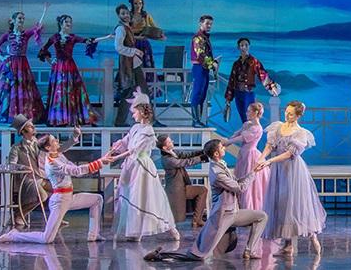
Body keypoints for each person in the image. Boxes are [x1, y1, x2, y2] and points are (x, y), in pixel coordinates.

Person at [144, 139, 269, 262]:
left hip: (233, 212)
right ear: (216, 153)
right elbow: (240, 188)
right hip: (223, 215)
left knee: (261, 216)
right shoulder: (217, 172)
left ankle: (249, 251)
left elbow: (237, 182)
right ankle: (160, 256)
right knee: (199, 254)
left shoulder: (221, 164)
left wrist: (253, 171)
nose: (224, 148)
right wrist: (253, 173)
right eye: (221, 147)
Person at [0, 135, 115, 243]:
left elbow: (75, 169)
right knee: (46, 239)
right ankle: (14, 235)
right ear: (48, 147)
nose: (57, 141)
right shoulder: (52, 163)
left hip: (69, 197)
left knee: (97, 199)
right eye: (54, 140)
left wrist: (100, 162)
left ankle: (93, 234)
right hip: (60, 201)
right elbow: (75, 171)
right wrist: (99, 162)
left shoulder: (59, 156)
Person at [255, 100, 325, 257]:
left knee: (296, 204)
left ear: (298, 116)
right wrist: (261, 158)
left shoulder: (301, 133)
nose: (287, 115)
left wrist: (269, 161)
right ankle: (287, 245)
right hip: (279, 170)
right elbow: (270, 145)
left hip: (293, 170)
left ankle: (312, 234)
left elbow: (289, 154)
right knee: (281, 204)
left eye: (291, 114)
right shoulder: (278, 127)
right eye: (286, 112)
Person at [109, 89, 181, 242]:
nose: (133, 115)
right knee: (132, 198)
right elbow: (126, 142)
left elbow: (135, 150)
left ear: (142, 112)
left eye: (135, 112)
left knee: (147, 199)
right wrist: (115, 147)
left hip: (142, 167)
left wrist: (117, 157)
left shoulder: (149, 131)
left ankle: (171, 228)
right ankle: (136, 232)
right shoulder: (135, 128)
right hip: (131, 166)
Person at [7, 114, 81, 229]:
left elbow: (58, 149)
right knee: (42, 196)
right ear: (24, 131)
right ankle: (19, 214)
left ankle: (56, 217)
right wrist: (22, 167)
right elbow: (11, 165)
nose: (33, 128)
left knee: (60, 191)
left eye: (32, 125)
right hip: (29, 179)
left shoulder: (39, 143)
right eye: (30, 126)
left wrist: (74, 137)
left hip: (42, 177)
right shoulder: (17, 148)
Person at [38, 15, 111, 126]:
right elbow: (43, 49)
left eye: (70, 22)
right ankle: (59, 118)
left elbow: (88, 41)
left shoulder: (73, 37)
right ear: (61, 24)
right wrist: (50, 61)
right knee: (59, 92)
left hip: (69, 67)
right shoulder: (55, 37)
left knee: (71, 91)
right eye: (67, 22)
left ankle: (70, 117)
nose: (69, 24)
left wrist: (106, 37)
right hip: (58, 68)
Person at [0, 3, 49, 123]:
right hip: (11, 65)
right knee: (11, 89)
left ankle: (26, 116)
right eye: (19, 18)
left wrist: (44, 11)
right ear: (13, 20)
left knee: (25, 89)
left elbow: (37, 28)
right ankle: (12, 117)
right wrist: (3, 58)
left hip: (22, 64)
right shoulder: (8, 35)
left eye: (23, 19)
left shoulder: (25, 34)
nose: (22, 20)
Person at [221, 101, 270, 210]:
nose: (246, 113)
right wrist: (226, 143)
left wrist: (228, 142)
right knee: (240, 179)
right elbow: (236, 134)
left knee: (249, 182)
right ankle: (239, 207)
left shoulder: (257, 128)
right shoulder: (247, 124)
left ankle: (250, 208)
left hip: (251, 156)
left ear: (255, 112)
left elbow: (242, 138)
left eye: (249, 111)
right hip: (243, 154)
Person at [224, 37, 280, 124]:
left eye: (246, 45)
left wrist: (271, 86)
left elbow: (262, 74)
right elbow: (231, 81)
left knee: (251, 117)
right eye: (242, 45)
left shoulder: (253, 61)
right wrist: (228, 98)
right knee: (243, 119)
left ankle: (253, 132)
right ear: (238, 47)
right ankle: (246, 132)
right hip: (238, 93)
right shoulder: (236, 64)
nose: (244, 47)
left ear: (249, 47)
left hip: (248, 93)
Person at [158, 135, 207, 228]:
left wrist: (201, 152)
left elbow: (186, 155)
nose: (172, 142)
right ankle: (197, 220)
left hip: (181, 186)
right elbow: (185, 162)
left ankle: (197, 220)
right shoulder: (167, 159)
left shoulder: (172, 153)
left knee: (202, 190)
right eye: (169, 142)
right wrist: (201, 158)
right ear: (164, 147)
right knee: (202, 190)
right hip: (177, 189)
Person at [113, 4, 147, 127]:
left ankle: (122, 120)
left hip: (133, 63)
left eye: (127, 13)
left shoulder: (127, 28)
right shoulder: (121, 29)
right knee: (134, 91)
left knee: (135, 92)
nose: (126, 15)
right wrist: (134, 51)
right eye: (123, 13)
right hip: (128, 64)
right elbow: (118, 47)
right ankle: (122, 121)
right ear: (119, 15)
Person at [190, 15, 220, 128]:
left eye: (210, 24)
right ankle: (195, 120)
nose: (209, 26)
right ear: (201, 23)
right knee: (197, 93)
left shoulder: (205, 37)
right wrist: (212, 64)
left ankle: (199, 120)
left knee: (202, 95)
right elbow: (201, 55)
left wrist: (212, 63)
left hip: (204, 68)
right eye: (207, 23)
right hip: (199, 68)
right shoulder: (198, 38)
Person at [128, 0, 165, 70]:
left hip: (143, 42)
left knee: (146, 62)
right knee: (132, 64)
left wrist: (161, 35)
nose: (138, 5)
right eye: (136, 3)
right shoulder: (129, 15)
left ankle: (147, 77)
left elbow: (154, 27)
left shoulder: (146, 15)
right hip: (132, 41)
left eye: (140, 3)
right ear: (132, 4)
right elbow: (125, 30)